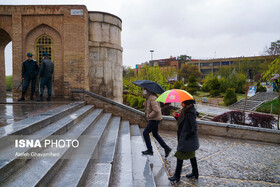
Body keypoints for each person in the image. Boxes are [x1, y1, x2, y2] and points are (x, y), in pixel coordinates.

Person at [168, 99, 200, 183]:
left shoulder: (190, 113)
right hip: (187, 139)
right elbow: (182, 122)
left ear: (186, 103)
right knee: (192, 156)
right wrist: (176, 116)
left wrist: (186, 136)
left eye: (182, 102)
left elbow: (194, 128)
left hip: (188, 140)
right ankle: (195, 172)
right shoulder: (185, 111)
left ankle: (176, 176)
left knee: (179, 156)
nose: (181, 103)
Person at [142, 88, 172, 157]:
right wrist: (146, 104)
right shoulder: (150, 97)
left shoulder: (152, 98)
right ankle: (167, 148)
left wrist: (149, 116)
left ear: (148, 90)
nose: (143, 90)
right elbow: (152, 107)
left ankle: (150, 150)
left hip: (154, 119)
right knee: (155, 134)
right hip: (155, 119)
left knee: (145, 132)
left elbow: (156, 110)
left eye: (144, 89)